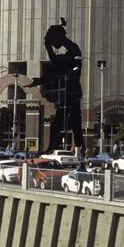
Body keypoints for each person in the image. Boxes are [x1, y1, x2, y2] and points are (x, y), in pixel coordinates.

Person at [29, 21, 85, 154]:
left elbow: (58, 65)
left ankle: (79, 150)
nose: (54, 45)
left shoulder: (74, 50)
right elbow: (57, 69)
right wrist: (40, 81)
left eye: (53, 42)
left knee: (72, 124)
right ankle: (76, 149)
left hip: (73, 94)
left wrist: (48, 47)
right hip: (70, 94)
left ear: (59, 37)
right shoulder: (71, 50)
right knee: (67, 123)